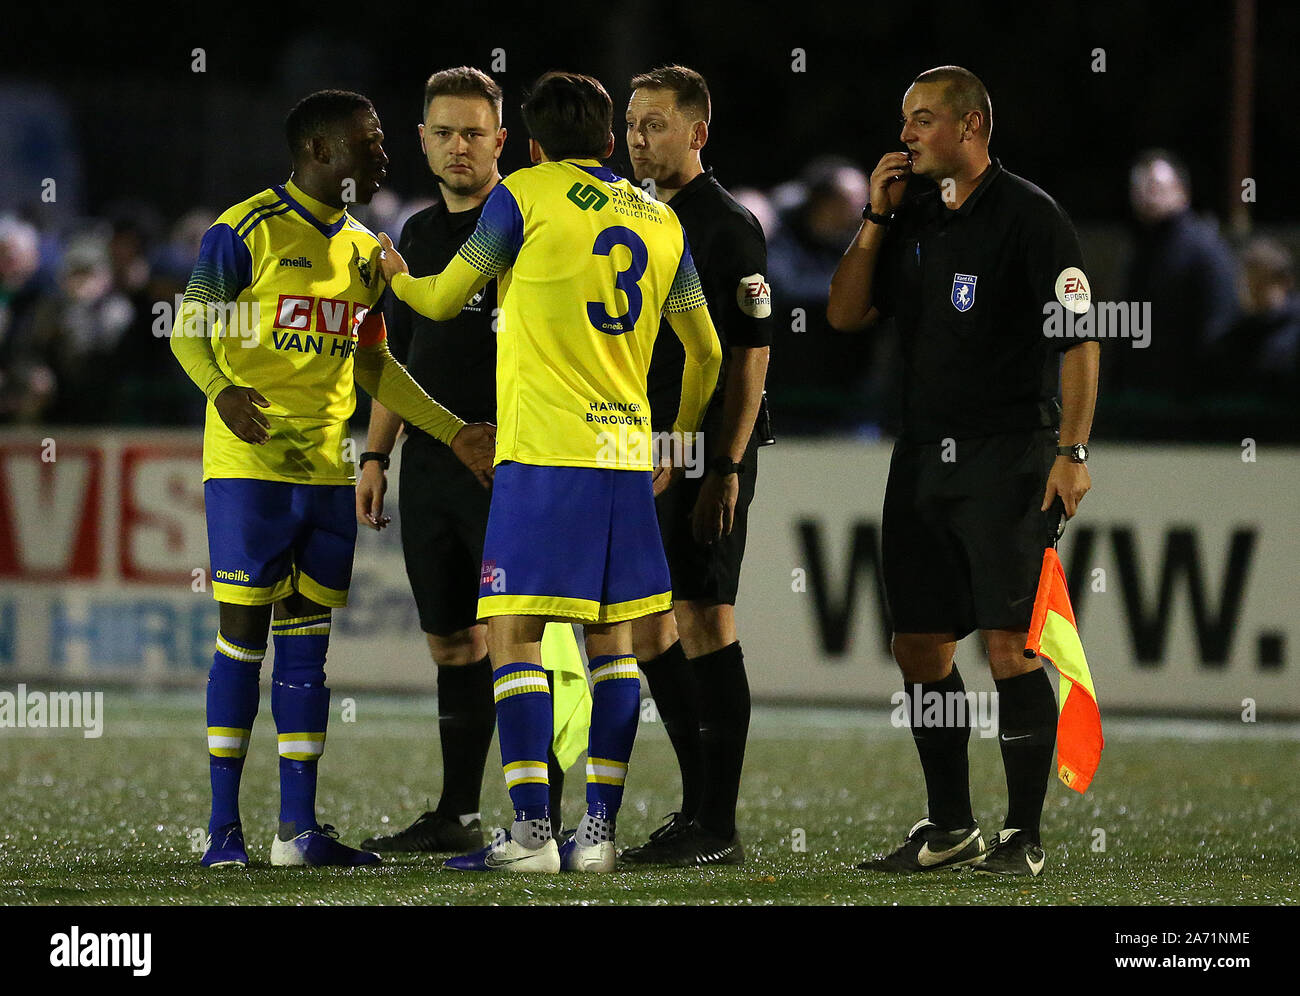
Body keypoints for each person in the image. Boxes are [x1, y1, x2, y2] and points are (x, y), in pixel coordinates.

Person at [378, 70, 722, 873]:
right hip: (625, 456)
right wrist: (674, 439)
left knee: (512, 634)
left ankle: (532, 833)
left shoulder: (523, 195)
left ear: (529, 146)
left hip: (542, 455)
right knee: (614, 646)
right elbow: (705, 351)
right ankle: (596, 834)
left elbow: (439, 301)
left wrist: (396, 274)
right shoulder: (661, 219)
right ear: (610, 143)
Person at [169, 89, 496, 869]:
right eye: (371, 140)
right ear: (320, 151)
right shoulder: (242, 230)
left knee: (308, 652)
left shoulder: (364, 250)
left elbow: (377, 364)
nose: (384, 153)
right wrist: (223, 391)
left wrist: (453, 432)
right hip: (249, 472)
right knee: (242, 642)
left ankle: (297, 831)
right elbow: (189, 332)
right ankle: (223, 832)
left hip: (325, 474)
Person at [827, 66, 1100, 877]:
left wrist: (1073, 451)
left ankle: (1023, 834)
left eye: (921, 120)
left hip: (1010, 456)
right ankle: (950, 825)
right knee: (919, 646)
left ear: (970, 126)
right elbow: (844, 313)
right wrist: (873, 218)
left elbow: (1079, 340)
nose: (906, 135)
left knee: (1011, 646)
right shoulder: (905, 211)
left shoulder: (1030, 216)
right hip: (920, 457)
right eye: (905, 119)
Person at [354, 67, 586, 855]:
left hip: (513, 466)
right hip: (429, 466)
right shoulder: (414, 237)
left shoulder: (528, 221)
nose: (459, 147)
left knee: (518, 638)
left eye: (473, 133)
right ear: (422, 140)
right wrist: (376, 453)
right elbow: (397, 357)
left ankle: (542, 814)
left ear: (503, 143)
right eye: (444, 133)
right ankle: (457, 810)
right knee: (453, 644)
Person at [618, 65, 772, 866]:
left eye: (656, 124)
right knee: (649, 628)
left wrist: (726, 467)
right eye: (634, 123)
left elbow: (750, 358)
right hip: (637, 455)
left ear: (697, 133)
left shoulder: (728, 227)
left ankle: (717, 822)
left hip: (703, 454)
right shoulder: (627, 217)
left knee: (707, 617)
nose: (639, 137)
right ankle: (697, 806)